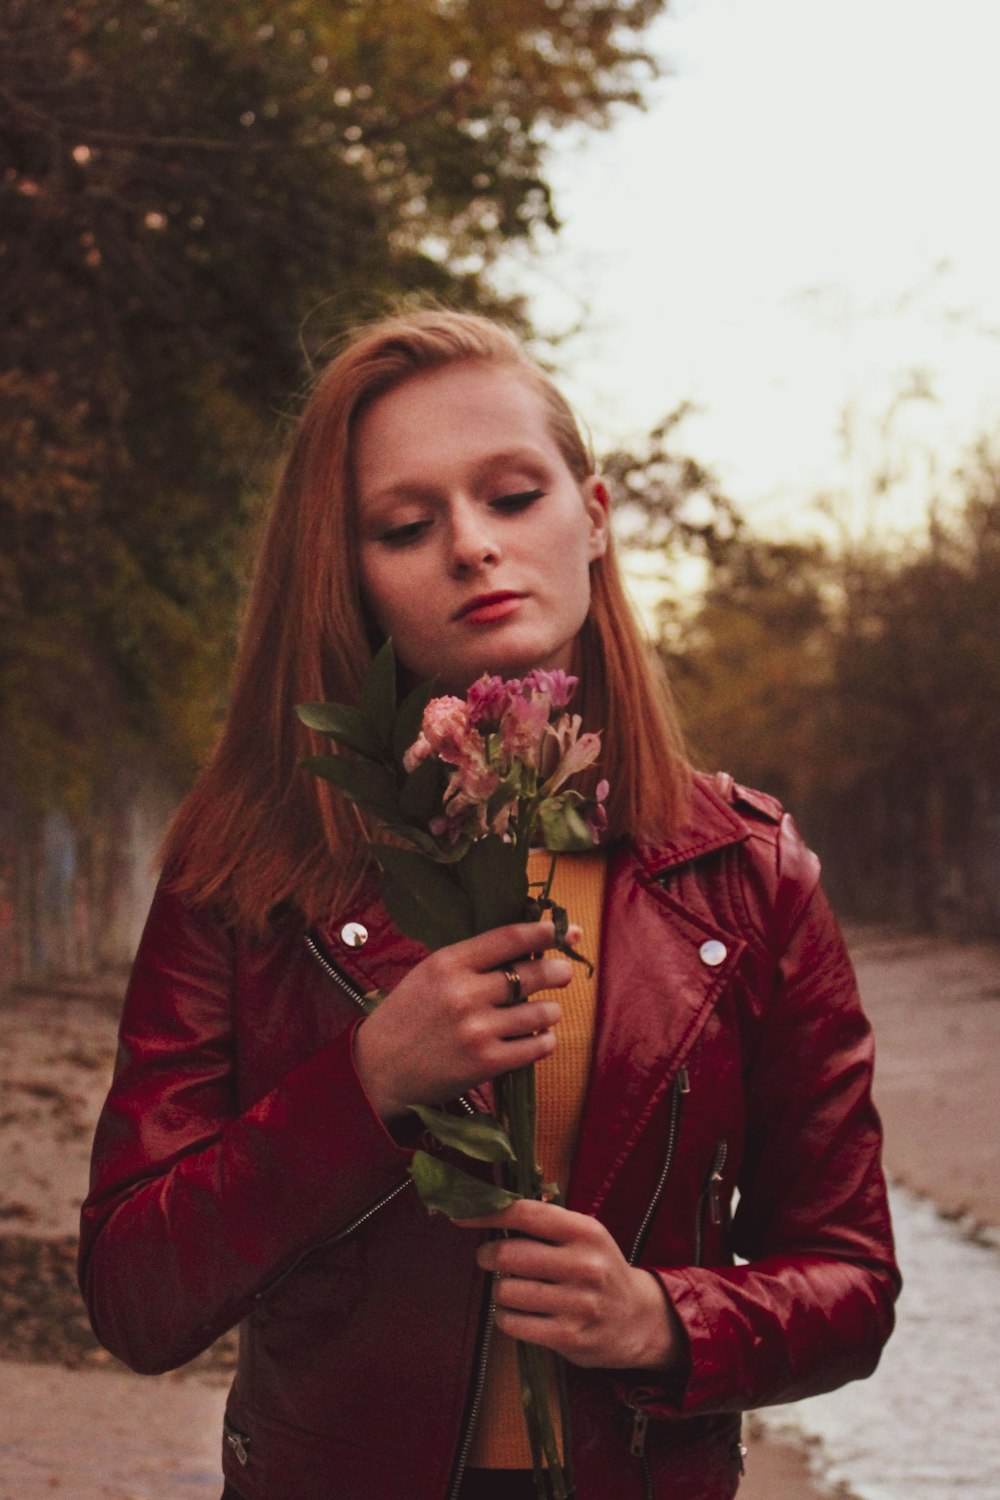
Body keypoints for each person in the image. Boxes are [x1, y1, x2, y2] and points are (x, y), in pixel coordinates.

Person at [79, 309, 900, 1500]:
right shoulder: (244, 870)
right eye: (406, 525)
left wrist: (660, 1321)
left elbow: (851, 1283)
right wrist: (361, 1088)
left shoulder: (747, 871)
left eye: (513, 497)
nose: (471, 545)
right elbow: (134, 1296)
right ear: (348, 572)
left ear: (597, 517)